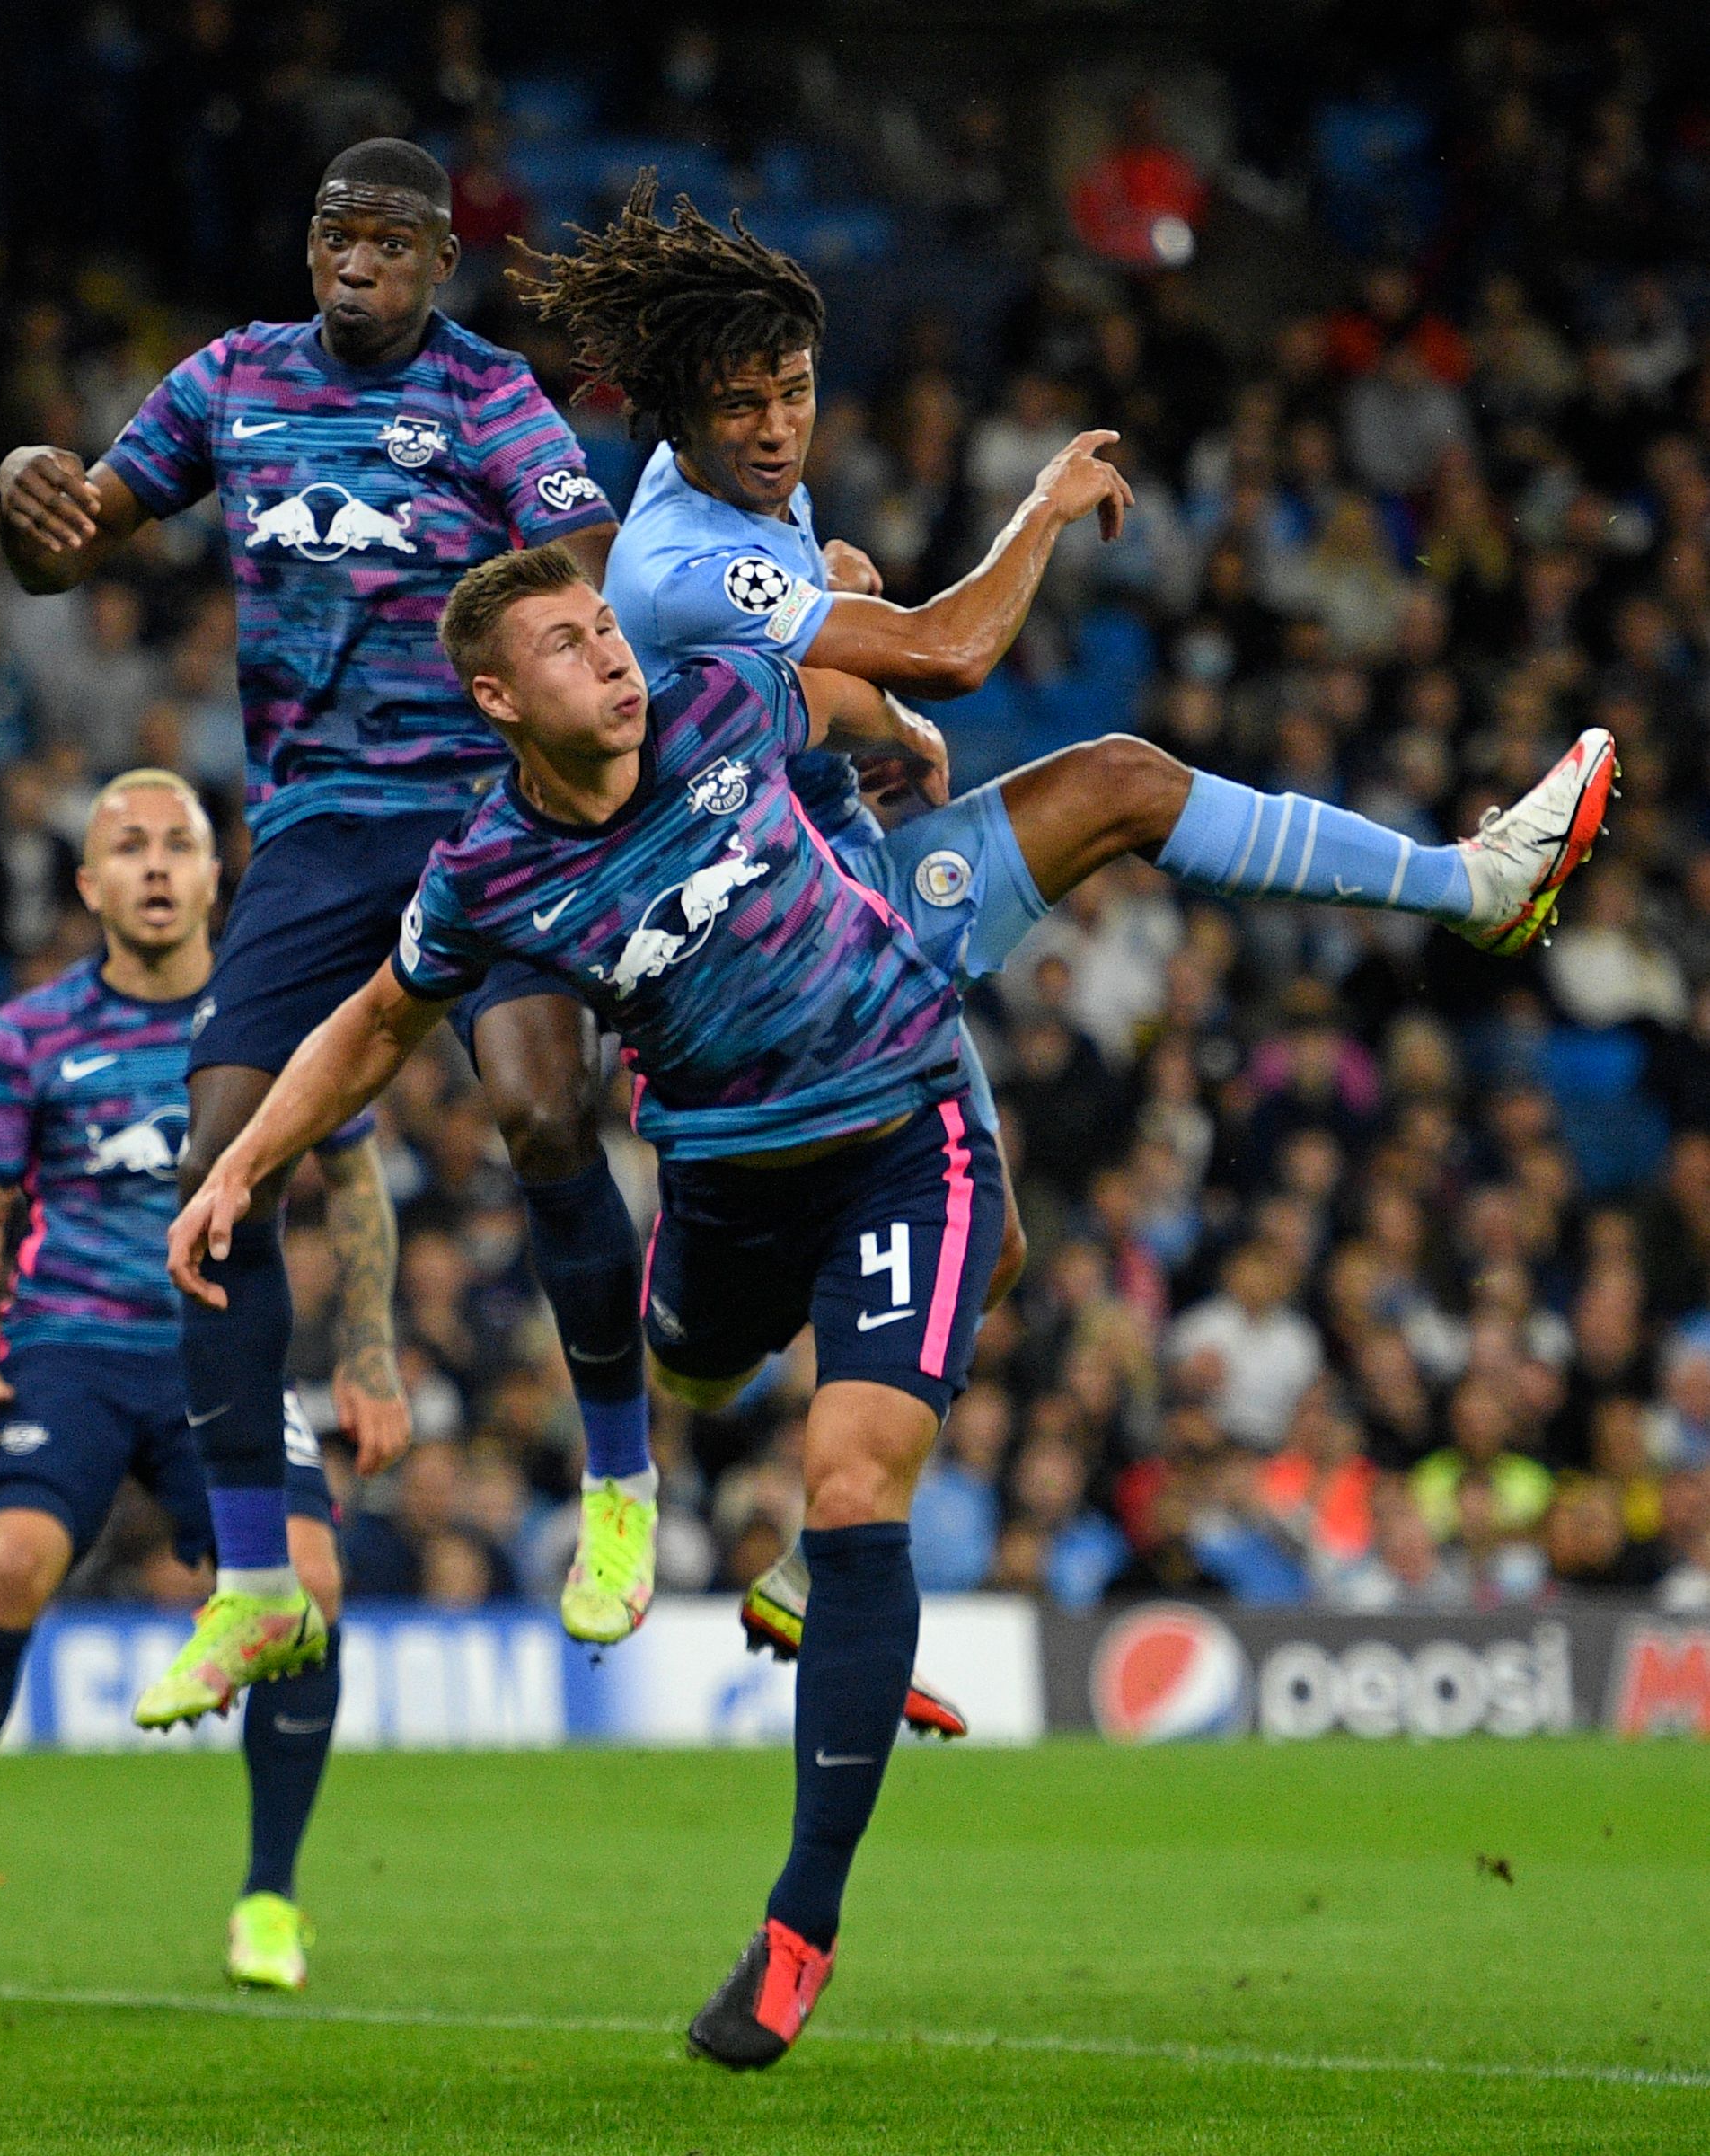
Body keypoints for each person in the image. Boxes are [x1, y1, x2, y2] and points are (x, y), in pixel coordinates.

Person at [164, 542, 1608, 2071]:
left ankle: (798, 1928)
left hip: (899, 1140)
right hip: (719, 1184)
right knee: (696, 1366)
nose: (609, 653)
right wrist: (241, 1167)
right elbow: (379, 1023)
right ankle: (682, 1447)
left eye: (606, 626)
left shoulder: (721, 697)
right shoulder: (487, 872)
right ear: (495, 696)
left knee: (853, 1483)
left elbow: (865, 684)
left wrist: (890, 719)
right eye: (570, 643)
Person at [519, 180, 1614, 1662]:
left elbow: (801, 685)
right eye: (740, 405)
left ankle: (1477, 886)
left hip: (830, 895)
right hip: (750, 971)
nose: (777, 427)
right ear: (674, 414)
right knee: (719, 1354)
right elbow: (961, 646)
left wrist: (870, 702)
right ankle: (746, 1442)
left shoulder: (748, 506)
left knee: (1111, 802)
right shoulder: (679, 551)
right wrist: (1028, 519)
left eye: (793, 392)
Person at [0, 139, 659, 1731]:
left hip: (485, 813)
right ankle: (253, 1582)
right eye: (330, 236)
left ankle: (618, 1482)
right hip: (311, 829)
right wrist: (30, 505)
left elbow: (586, 573)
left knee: (542, 1112)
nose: (352, 262)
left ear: (438, 260)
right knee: (215, 1163)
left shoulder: (494, 400)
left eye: (385, 241)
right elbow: (65, 540)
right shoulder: (230, 380)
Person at [0, 770, 397, 1999]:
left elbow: (357, 1187)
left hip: (221, 1347)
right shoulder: (27, 1034)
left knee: (313, 1583)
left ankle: (270, 1898)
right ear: (88, 885)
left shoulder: (278, 1012)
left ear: (218, 875)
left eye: (179, 843)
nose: (158, 865)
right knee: (9, 1561)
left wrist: (370, 1354)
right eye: (128, 847)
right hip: (69, 1345)